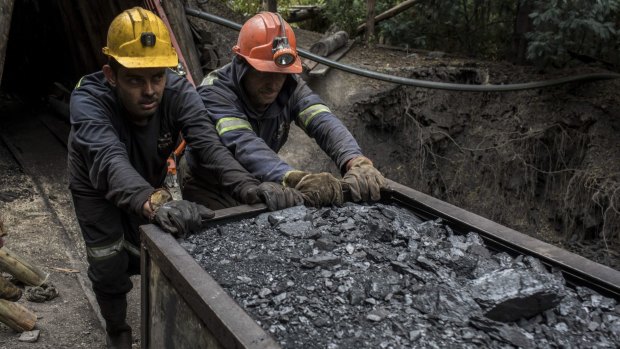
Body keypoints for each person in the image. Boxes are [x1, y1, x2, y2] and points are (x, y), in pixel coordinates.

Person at [67, 7, 291, 348]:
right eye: (135, 80)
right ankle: (117, 330)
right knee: (107, 256)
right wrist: (156, 201)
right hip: (94, 181)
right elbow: (109, 161)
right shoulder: (88, 100)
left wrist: (248, 186)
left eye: (157, 77)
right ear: (111, 75)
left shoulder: (177, 91)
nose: (150, 90)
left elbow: (209, 143)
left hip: (145, 171)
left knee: (152, 242)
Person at [180, 12, 387, 209]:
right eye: (265, 73)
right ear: (242, 64)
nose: (274, 84)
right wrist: (295, 178)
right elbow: (244, 144)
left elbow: (323, 120)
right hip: (210, 186)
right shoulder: (215, 91)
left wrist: (354, 159)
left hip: (261, 181)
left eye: (281, 74)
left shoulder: (289, 85)